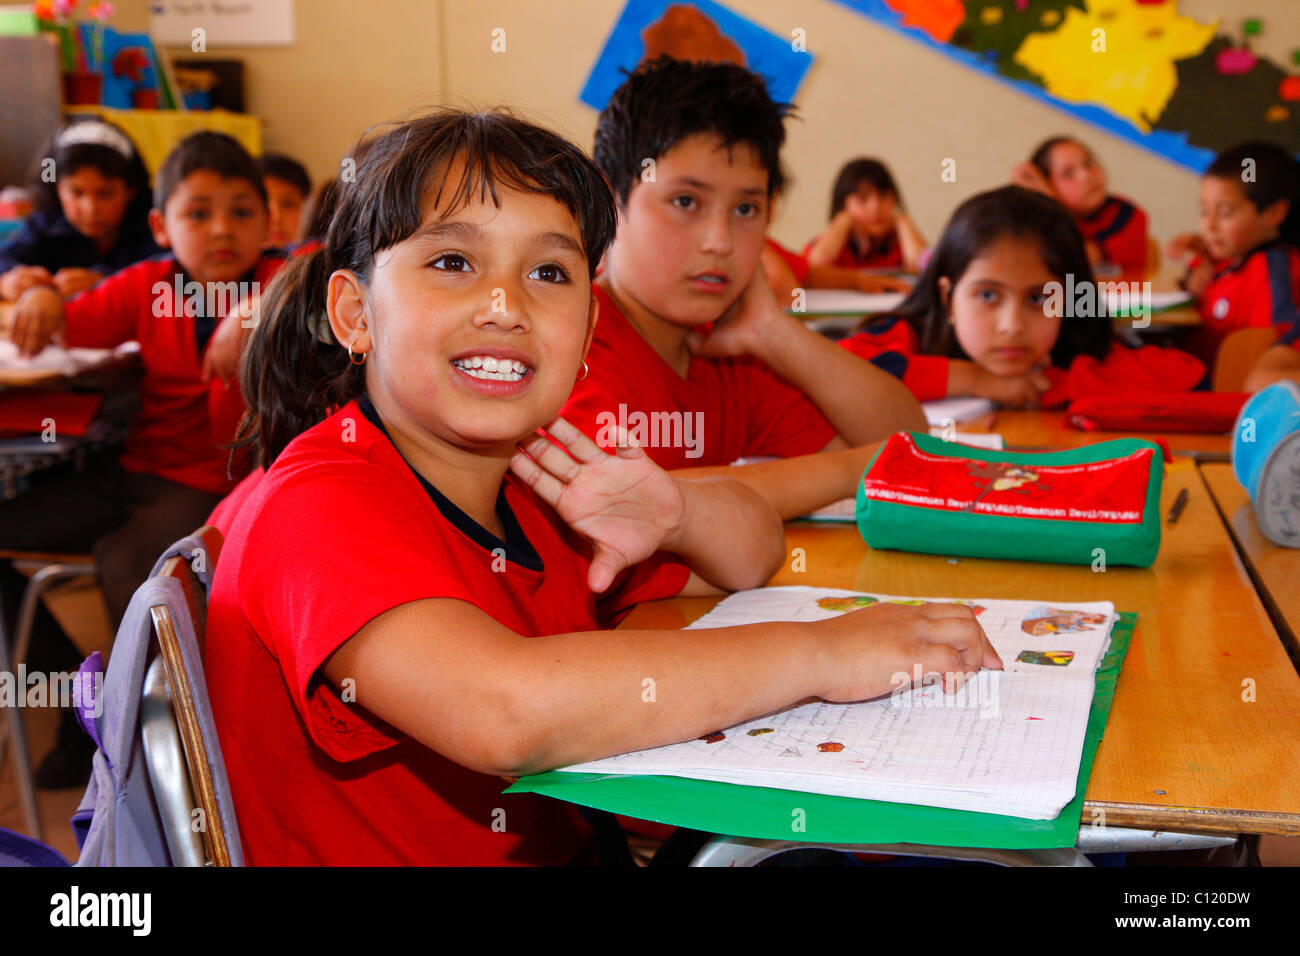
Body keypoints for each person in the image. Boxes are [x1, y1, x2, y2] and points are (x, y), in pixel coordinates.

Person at [204, 109, 999, 865]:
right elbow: (505, 712)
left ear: (585, 332)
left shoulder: (534, 471)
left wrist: (675, 512)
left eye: (549, 271)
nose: (504, 305)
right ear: (354, 314)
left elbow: (753, 553)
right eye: (453, 262)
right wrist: (823, 653)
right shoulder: (320, 498)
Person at [0, 131, 283, 786]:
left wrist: (255, 311)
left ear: (267, 223)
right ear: (160, 225)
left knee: (127, 560)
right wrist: (41, 295)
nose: (221, 230)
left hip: (221, 483)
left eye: (242, 212)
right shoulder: (147, 285)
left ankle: (172, 758)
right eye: (198, 213)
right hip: (139, 474)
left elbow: (334, 271)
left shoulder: (281, 278)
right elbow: (65, 320)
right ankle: (82, 706)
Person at [563, 56, 926, 520]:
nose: (719, 241)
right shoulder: (572, 347)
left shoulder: (733, 357)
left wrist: (775, 333)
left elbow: (912, 446)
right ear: (611, 200)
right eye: (685, 201)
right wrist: (855, 468)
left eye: (746, 210)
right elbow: (630, 501)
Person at [840, 186, 1204, 407]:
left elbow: (1189, 376)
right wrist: (972, 379)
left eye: (1037, 299)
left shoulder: (1075, 352)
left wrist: (1051, 387)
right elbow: (839, 371)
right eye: (987, 295)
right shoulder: (911, 337)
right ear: (949, 297)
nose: (1012, 326)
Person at [1166, 141, 1300, 389]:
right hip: (1199, 378)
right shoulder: (1230, 258)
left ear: (1273, 214)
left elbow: (1268, 340)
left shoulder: (1271, 270)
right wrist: (1193, 274)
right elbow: (1211, 283)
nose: (1209, 226)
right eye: (1204, 211)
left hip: (1227, 397)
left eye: (1225, 213)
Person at [0, 120, 157, 300]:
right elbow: (5, 256)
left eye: (105, 194)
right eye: (76, 192)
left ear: (131, 190)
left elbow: (172, 276)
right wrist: (7, 280)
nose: (90, 209)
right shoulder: (46, 223)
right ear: (56, 188)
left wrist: (109, 283)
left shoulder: (153, 228)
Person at [1011, 136, 1149, 274]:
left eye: (1088, 164)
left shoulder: (1128, 214)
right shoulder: (1039, 223)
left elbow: (1075, 258)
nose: (1086, 175)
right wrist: (1042, 202)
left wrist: (1051, 203)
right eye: (1068, 174)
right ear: (1046, 186)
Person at [805, 157, 927, 273]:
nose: (875, 206)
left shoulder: (901, 243)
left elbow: (926, 270)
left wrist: (902, 220)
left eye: (883, 196)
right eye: (862, 199)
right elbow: (812, 267)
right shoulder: (833, 245)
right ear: (843, 205)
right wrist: (843, 221)